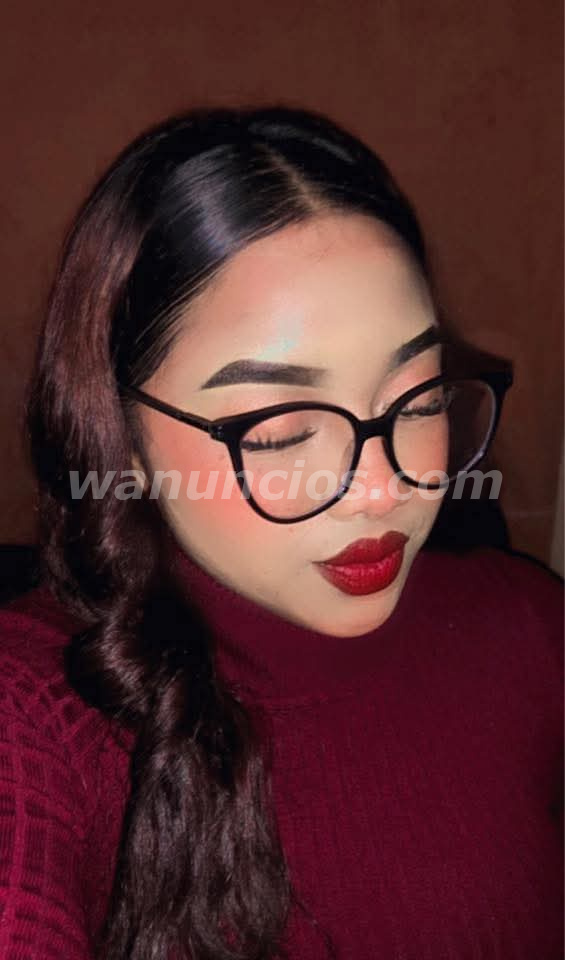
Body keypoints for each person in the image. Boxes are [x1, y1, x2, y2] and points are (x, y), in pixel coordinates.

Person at [0, 105, 562, 960]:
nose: (383, 490)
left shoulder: (526, 623)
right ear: (122, 433)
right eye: (279, 429)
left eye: (416, 398)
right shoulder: (37, 708)